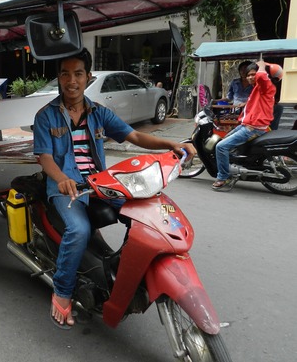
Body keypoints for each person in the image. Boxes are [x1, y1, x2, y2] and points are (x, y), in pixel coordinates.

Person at [33, 48, 196, 329]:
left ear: (88, 77)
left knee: (145, 212)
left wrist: (171, 144)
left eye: (78, 74)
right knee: (79, 230)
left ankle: (128, 272)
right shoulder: (45, 116)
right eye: (65, 74)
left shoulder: (99, 113)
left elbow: (132, 135)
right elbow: (45, 157)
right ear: (58, 78)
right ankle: (61, 291)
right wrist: (61, 178)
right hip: (66, 189)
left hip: (100, 185)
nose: (72, 80)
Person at [212, 60, 281, 191]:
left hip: (253, 128)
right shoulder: (258, 89)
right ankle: (232, 168)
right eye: (248, 75)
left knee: (221, 147)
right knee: (223, 141)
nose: (250, 77)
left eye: (253, 74)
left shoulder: (266, 86)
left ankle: (223, 177)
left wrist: (261, 65)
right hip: (247, 125)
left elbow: (262, 78)